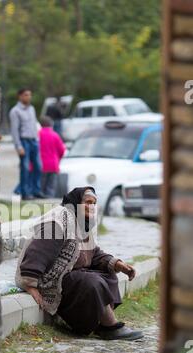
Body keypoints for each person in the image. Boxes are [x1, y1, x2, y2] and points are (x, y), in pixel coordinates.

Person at [15, 187, 143, 340]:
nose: (91, 207)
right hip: (50, 281)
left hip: (71, 276)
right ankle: (110, 326)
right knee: (92, 283)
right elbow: (38, 253)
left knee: (109, 276)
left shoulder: (81, 222)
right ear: (76, 202)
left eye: (94, 203)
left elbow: (93, 253)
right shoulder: (58, 220)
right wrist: (30, 284)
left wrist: (117, 264)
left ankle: (100, 323)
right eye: (88, 202)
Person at [9, 88, 45, 200]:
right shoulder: (15, 111)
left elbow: (34, 125)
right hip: (24, 141)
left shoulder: (32, 109)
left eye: (30, 95)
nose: (28, 97)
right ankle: (25, 193)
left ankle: (36, 190)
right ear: (20, 96)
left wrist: (37, 139)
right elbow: (14, 130)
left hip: (34, 141)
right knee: (25, 168)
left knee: (38, 167)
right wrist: (18, 146)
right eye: (26, 95)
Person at [39, 116, 66, 198]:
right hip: (54, 165)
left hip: (42, 164)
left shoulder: (38, 134)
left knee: (41, 186)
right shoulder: (55, 135)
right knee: (51, 187)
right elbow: (62, 150)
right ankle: (49, 203)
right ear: (51, 124)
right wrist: (58, 159)